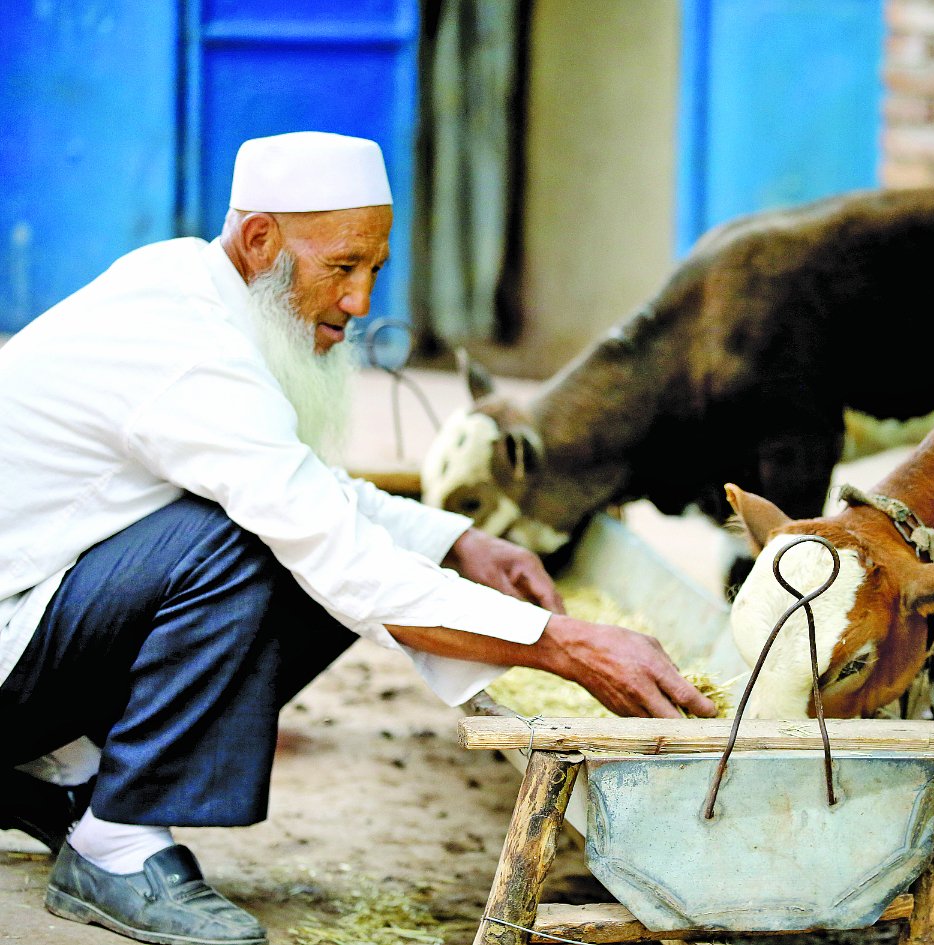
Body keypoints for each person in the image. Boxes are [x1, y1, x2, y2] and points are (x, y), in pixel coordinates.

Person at [0, 131, 715, 945]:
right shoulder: (191, 351)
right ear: (260, 239)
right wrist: (566, 645)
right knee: (251, 544)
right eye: (342, 267)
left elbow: (304, 483)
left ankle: (58, 771)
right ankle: (115, 844)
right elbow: (328, 544)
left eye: (374, 268)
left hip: (30, 632)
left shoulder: (194, 284)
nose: (360, 300)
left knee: (306, 537)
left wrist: (453, 541)